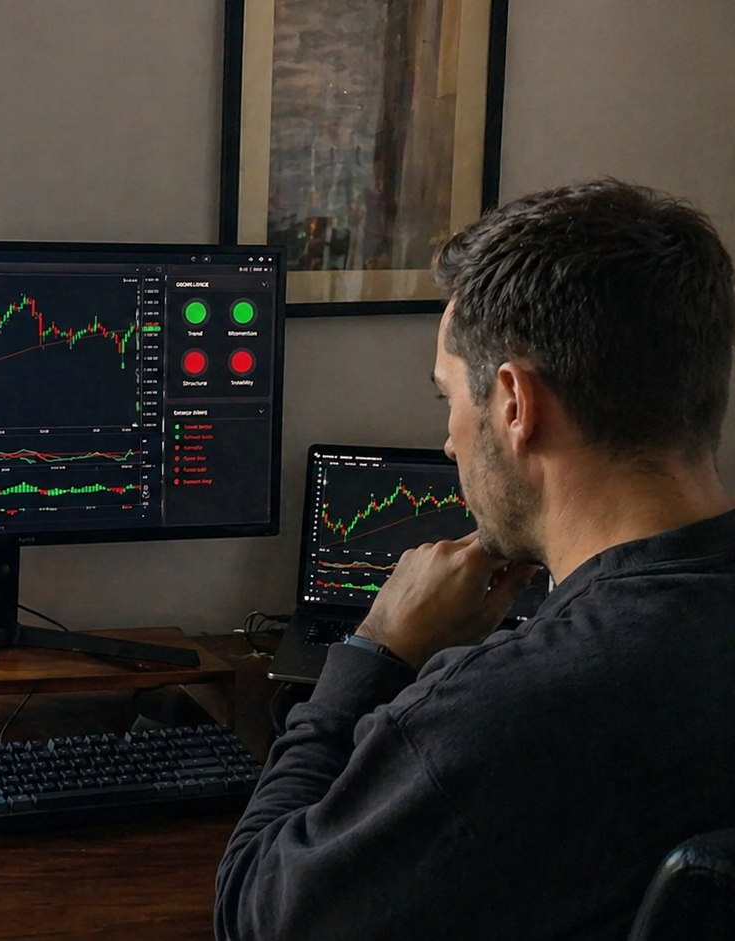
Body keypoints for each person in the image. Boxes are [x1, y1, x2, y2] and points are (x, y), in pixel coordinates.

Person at [215, 181, 735, 941]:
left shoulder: (508, 711)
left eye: (447, 401)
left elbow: (256, 911)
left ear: (516, 404)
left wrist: (374, 650)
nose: (451, 441)